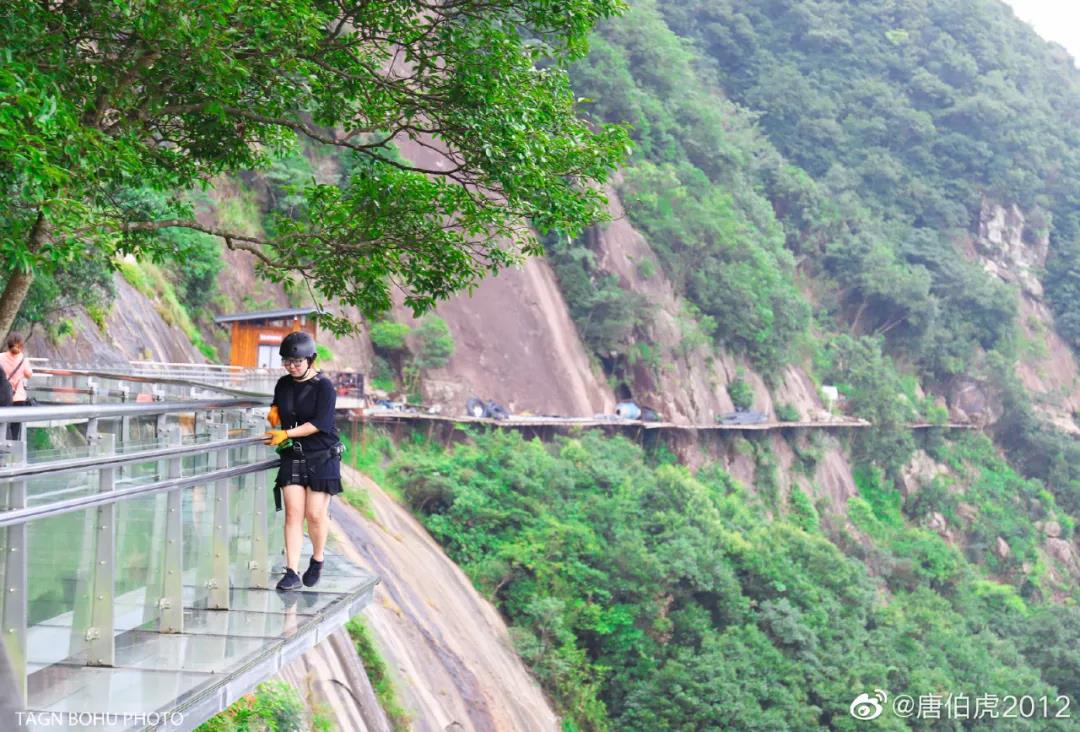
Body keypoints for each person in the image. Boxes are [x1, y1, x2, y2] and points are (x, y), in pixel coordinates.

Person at [263, 331, 343, 591]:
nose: (292, 366)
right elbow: (276, 409)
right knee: (293, 514)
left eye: (297, 362)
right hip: (293, 454)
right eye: (287, 361)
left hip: (322, 455)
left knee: (314, 514)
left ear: (311, 360)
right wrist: (272, 423)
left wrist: (285, 433)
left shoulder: (324, 387)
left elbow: (320, 424)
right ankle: (291, 571)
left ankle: (318, 559)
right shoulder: (283, 384)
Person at [0, 333, 33, 440]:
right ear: (21, 346)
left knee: (2, 424)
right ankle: (11, 451)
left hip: (3, 397)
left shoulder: (0, 357)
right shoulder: (23, 360)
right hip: (18, 397)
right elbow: (29, 375)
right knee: (14, 428)